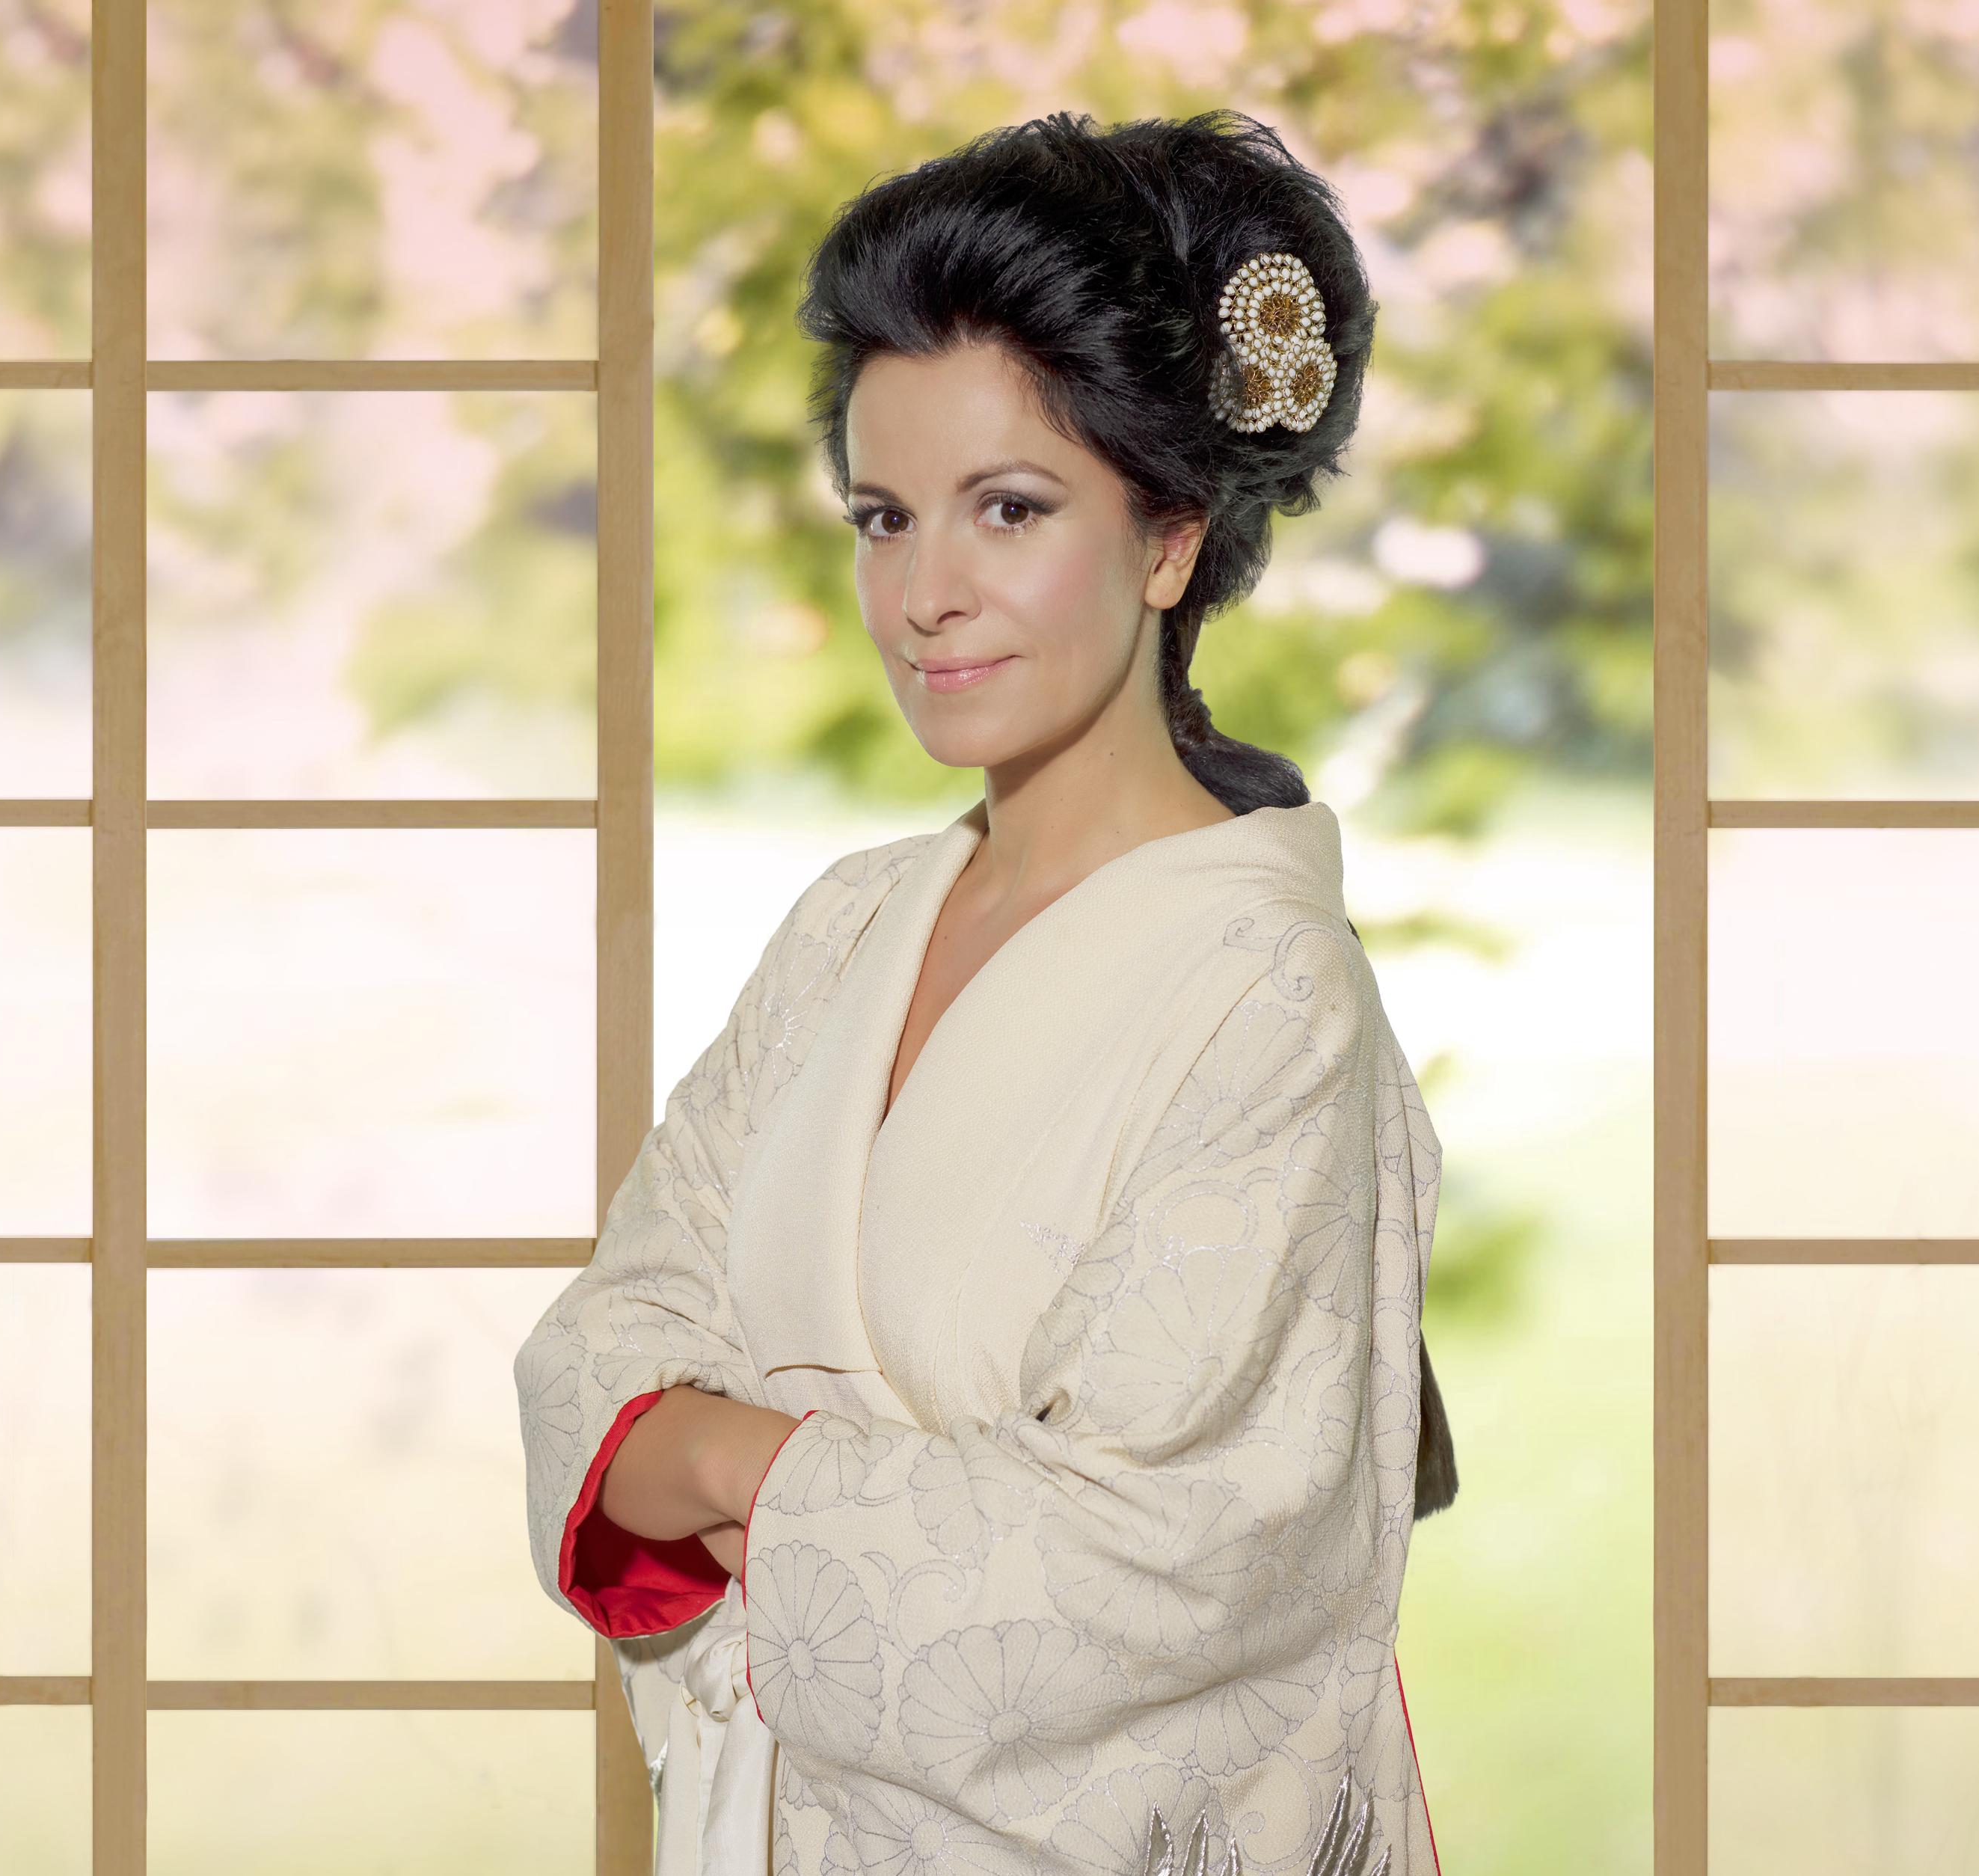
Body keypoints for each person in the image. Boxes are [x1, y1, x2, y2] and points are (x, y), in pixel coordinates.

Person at [515, 107, 1457, 1876]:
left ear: (1168, 540)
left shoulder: (1269, 998)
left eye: (1006, 510)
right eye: (883, 519)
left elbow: (1152, 1570)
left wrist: (731, 1465)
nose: (923, 596)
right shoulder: (848, 927)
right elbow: (594, 1361)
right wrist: (809, 1485)